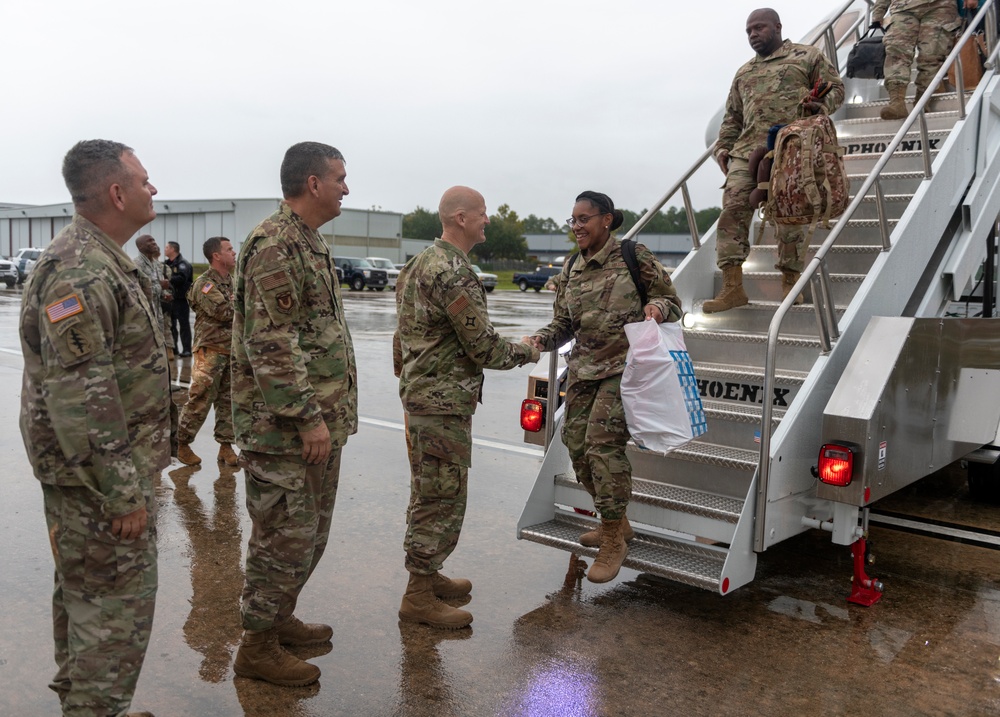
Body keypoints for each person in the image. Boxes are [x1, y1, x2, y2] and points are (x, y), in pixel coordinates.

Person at [19, 139, 168, 717]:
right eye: (145, 179)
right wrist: (122, 491)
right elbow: (83, 394)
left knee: (89, 601)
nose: (153, 189)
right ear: (116, 192)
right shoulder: (79, 270)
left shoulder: (104, 259)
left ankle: (90, 706)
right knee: (114, 613)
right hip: (100, 482)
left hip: (103, 474)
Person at [230, 141, 357, 686]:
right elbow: (272, 343)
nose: (346, 188)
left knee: (307, 536)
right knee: (282, 538)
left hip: (316, 424)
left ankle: (277, 621)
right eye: (340, 178)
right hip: (282, 431)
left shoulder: (309, 242)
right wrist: (307, 418)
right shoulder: (276, 243)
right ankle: (256, 648)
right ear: (312, 183)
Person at [394, 186, 539, 629]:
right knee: (441, 497)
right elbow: (485, 349)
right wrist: (528, 351)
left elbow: (400, 337)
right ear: (460, 218)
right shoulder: (453, 272)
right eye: (481, 213)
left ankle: (429, 575)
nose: (487, 220)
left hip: (422, 399)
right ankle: (418, 594)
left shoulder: (419, 262)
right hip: (440, 405)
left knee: (428, 490)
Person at [527, 191, 682, 583]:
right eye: (572, 220)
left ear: (606, 220)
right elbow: (563, 323)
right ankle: (617, 521)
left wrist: (657, 308)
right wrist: (537, 341)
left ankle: (613, 538)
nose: (577, 226)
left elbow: (670, 299)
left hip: (624, 370)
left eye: (584, 218)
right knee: (576, 445)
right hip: (583, 370)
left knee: (601, 444)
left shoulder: (633, 255)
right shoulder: (571, 267)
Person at [705, 7, 845, 314]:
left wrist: (821, 104)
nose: (753, 34)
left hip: (791, 147)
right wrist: (722, 149)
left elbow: (836, 89)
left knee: (788, 215)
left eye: (759, 28)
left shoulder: (806, 56)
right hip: (745, 151)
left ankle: (790, 282)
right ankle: (732, 287)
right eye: (748, 31)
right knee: (732, 209)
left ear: (777, 27)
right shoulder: (744, 72)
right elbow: (733, 116)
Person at [176, 236, 239, 467]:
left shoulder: (232, 281)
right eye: (229, 249)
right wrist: (238, 302)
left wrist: (236, 300)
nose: (234, 252)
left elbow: (237, 306)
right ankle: (182, 443)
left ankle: (225, 446)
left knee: (228, 401)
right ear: (216, 256)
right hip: (210, 350)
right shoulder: (205, 284)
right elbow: (224, 311)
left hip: (230, 350)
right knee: (200, 399)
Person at [871, 0, 972, 119]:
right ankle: (896, 103)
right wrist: (878, 12)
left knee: (931, 57)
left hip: (940, 7)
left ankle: (922, 102)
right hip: (903, 8)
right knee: (896, 53)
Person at [136, 234, 180, 456]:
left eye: (155, 242)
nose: (155, 245)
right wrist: (158, 285)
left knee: (164, 355)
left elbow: (156, 288)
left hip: (159, 317)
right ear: (142, 247)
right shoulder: (138, 264)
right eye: (151, 243)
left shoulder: (154, 264)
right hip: (147, 322)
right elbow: (141, 287)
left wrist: (165, 293)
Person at [164, 240, 194, 356]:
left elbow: (182, 278)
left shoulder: (182, 264)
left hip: (181, 299)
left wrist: (169, 280)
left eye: (167, 247)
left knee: (184, 325)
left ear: (173, 249)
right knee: (171, 325)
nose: (165, 249)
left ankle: (187, 349)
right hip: (170, 299)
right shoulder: (166, 264)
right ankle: (174, 348)